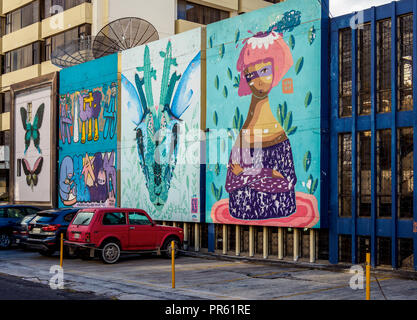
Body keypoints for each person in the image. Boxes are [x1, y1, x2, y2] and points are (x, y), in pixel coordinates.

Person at [225, 30, 297, 220]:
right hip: (241, 212)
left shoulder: (280, 138)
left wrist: (247, 175)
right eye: (250, 75)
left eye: (264, 71)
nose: (257, 81)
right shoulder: (242, 137)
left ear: (275, 71)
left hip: (279, 211)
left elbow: (287, 182)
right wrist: (268, 174)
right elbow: (231, 183)